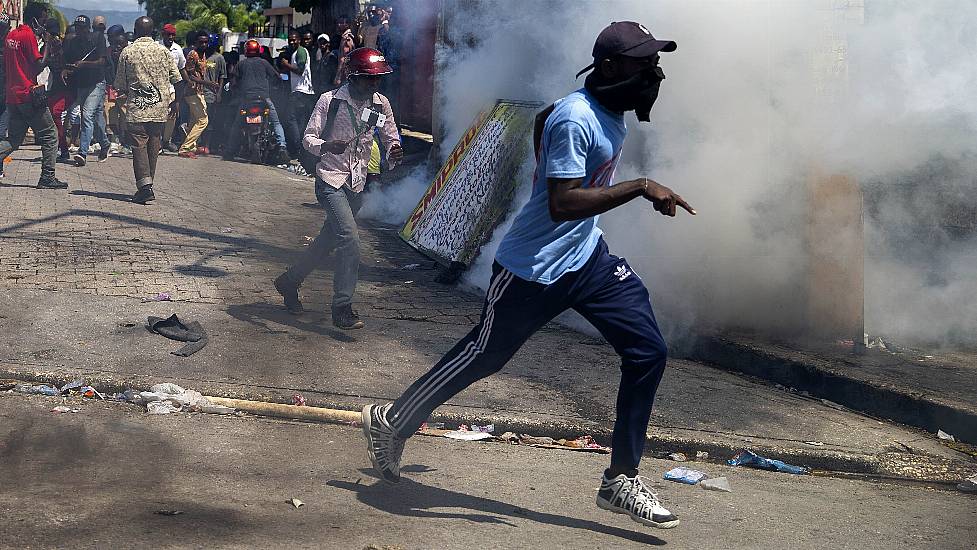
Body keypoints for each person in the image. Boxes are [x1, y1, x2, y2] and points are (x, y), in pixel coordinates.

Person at [360, 22, 695, 530]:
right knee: (483, 356)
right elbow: (562, 203)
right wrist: (640, 186)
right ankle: (392, 421)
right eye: (642, 63)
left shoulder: (605, 112)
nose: (654, 73)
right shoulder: (576, 117)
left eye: (654, 62)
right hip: (532, 268)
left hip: (587, 260)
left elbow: (547, 127)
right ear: (609, 68)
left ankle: (620, 480)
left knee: (648, 350)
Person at [273, 47, 403, 329]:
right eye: (369, 79)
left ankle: (289, 281)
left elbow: (391, 136)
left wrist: (394, 151)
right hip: (330, 179)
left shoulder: (380, 104)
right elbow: (308, 139)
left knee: (326, 241)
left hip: (357, 183)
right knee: (350, 239)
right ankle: (342, 307)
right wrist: (326, 146)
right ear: (353, 77)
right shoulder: (330, 101)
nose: (374, 85)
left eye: (378, 79)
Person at [114, 16, 183, 204]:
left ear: (135, 32)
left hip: (138, 108)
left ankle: (145, 187)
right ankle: (147, 184)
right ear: (153, 32)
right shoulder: (164, 52)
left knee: (139, 145)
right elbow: (178, 80)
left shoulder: (127, 52)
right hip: (160, 108)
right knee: (154, 144)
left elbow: (120, 84)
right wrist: (176, 103)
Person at [0, 4, 65, 188]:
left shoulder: (11, 35)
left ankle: (48, 177)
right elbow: (38, 66)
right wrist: (47, 45)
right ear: (35, 19)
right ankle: (47, 177)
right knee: (50, 134)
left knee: (13, 139)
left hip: (14, 96)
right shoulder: (28, 34)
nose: (44, 23)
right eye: (43, 19)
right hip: (29, 94)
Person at [223, 39, 287, 160]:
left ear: (246, 51)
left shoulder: (241, 64)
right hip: (264, 98)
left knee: (237, 125)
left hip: (247, 100)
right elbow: (277, 77)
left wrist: (235, 90)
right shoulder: (264, 63)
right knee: (276, 122)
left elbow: (233, 82)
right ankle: (282, 147)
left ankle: (230, 151)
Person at [63, 14, 111, 166]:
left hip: (97, 83)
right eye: (77, 28)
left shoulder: (98, 38)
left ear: (88, 28)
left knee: (87, 115)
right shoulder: (72, 42)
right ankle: (105, 144)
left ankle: (82, 152)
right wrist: (66, 70)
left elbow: (102, 61)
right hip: (82, 84)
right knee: (94, 119)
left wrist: (84, 64)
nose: (79, 31)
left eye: (82, 28)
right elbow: (68, 62)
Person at [280, 29, 316, 164]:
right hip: (303, 93)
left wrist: (286, 65)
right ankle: (301, 151)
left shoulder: (301, 51)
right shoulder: (296, 52)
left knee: (290, 120)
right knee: (300, 123)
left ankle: (295, 149)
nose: (292, 41)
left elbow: (300, 71)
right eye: (290, 39)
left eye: (294, 39)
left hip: (301, 92)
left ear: (299, 40)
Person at [177, 31, 213, 159]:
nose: (204, 44)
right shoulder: (193, 55)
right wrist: (209, 83)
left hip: (199, 91)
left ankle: (191, 146)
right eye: (201, 42)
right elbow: (190, 75)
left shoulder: (203, 55)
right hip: (192, 91)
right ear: (196, 42)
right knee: (203, 120)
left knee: (194, 120)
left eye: (205, 42)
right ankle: (185, 147)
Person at [159, 23, 186, 153]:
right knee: (158, 115)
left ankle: (166, 141)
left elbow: (182, 68)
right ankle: (156, 141)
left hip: (172, 87)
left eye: (172, 35)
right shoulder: (156, 47)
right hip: (158, 87)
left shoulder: (178, 49)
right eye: (168, 34)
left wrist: (188, 81)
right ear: (162, 35)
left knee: (172, 115)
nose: (170, 37)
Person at [199, 33, 225, 155]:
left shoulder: (219, 58)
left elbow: (222, 76)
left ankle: (206, 145)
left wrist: (219, 93)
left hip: (211, 94)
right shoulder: (200, 56)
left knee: (209, 121)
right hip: (199, 92)